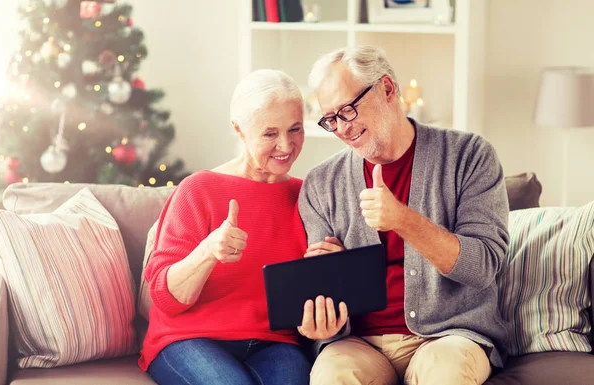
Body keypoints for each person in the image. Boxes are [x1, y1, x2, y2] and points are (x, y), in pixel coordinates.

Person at [296, 45, 510, 385]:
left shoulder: (469, 155)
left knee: (447, 374)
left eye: (348, 110)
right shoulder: (321, 185)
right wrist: (323, 318)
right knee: (331, 377)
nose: (342, 129)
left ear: (387, 89)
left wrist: (403, 220)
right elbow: (323, 296)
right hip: (357, 343)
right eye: (330, 119)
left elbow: (483, 267)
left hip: (448, 336)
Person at [138, 69, 311, 385]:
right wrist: (207, 252)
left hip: (275, 342)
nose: (286, 145)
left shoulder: (307, 195)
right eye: (270, 134)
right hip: (188, 338)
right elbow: (165, 297)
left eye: (295, 129)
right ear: (239, 130)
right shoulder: (198, 189)